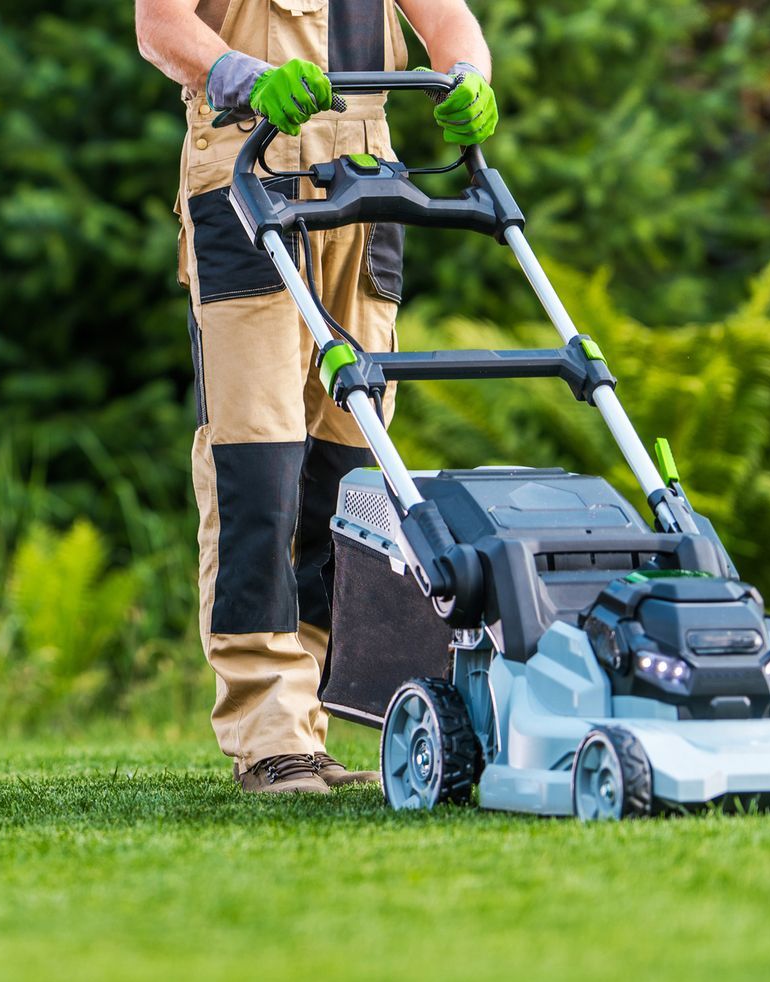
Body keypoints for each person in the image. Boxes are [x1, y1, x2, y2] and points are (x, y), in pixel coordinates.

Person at [134, 0, 498, 794]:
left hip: (363, 190)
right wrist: (244, 77)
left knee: (350, 473)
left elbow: (450, 23)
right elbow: (159, 25)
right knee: (256, 465)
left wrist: (470, 76)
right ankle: (269, 731)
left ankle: (314, 724)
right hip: (245, 172)